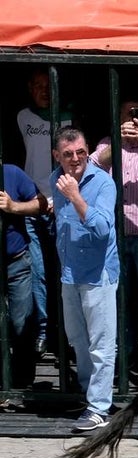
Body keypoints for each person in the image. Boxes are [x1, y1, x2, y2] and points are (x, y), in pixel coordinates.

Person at [51, 127, 119, 433]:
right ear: (57, 156)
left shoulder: (103, 183)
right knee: (77, 339)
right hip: (70, 272)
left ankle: (99, 407)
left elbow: (102, 228)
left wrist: (75, 197)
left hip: (98, 273)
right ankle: (89, 395)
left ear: (87, 150)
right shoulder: (56, 179)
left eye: (80, 152)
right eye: (67, 154)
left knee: (101, 343)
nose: (75, 159)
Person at [93, 100, 138, 365]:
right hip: (115, 234)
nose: (132, 120)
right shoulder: (107, 143)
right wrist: (118, 137)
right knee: (118, 299)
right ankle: (123, 358)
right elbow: (91, 166)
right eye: (127, 115)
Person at [17, 68, 73, 357]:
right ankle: (43, 330)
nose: (43, 90)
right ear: (29, 88)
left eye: (47, 85)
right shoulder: (22, 117)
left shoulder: (69, 119)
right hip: (32, 204)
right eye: (37, 85)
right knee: (38, 272)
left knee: (65, 272)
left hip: (63, 204)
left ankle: (66, 333)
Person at [0, 163, 48, 388]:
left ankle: (22, 383)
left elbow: (41, 204)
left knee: (21, 324)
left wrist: (13, 207)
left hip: (16, 261)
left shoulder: (11, 173)